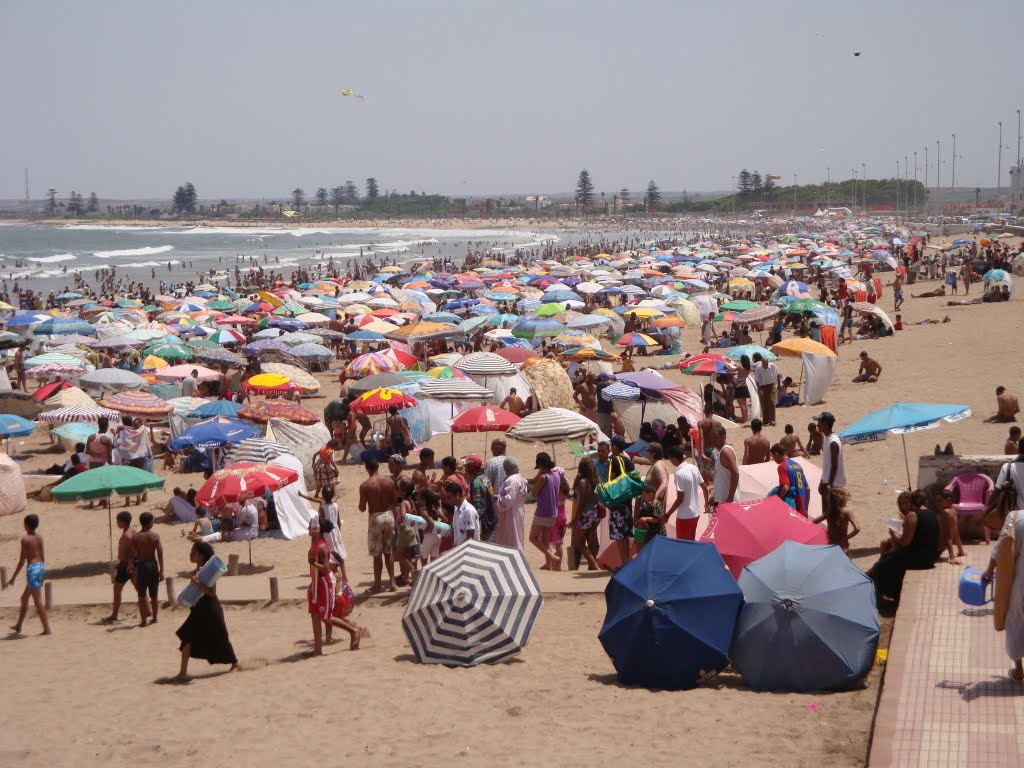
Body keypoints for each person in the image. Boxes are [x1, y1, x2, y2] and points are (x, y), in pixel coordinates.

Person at [174, 541, 239, 680]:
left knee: (221, 636)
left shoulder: (208, 570)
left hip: (210, 609)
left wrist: (196, 583)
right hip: (198, 610)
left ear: (201, 555)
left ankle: (235, 664)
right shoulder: (198, 569)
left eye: (194, 552)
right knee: (187, 637)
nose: (190, 554)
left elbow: (211, 593)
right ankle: (182, 672)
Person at [867, 489, 939, 605]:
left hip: (919, 559)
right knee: (887, 557)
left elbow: (904, 542)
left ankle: (870, 582)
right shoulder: (932, 514)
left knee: (884, 562)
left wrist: (893, 533)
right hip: (930, 557)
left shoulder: (913, 515)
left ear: (912, 502)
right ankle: (877, 585)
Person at [980, 507, 1024, 680]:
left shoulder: (1016, 518)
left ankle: (1019, 669)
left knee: (1016, 620)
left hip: (1020, 581)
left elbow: (1001, 546)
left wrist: (990, 569)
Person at [8, 514, 51, 636]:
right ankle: (19, 625)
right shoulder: (40, 537)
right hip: (40, 567)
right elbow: (42, 557)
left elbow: (22, 561)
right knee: (24, 598)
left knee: (38, 601)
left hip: (32, 569)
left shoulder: (25, 539)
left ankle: (47, 629)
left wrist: (13, 578)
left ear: (26, 525)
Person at [358, 457, 396, 593]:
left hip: (375, 517)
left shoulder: (365, 485)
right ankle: (392, 583)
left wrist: (363, 505)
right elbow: (393, 499)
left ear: (367, 468)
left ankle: (378, 585)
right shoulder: (389, 481)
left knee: (377, 553)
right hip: (389, 515)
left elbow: (362, 507)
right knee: (388, 551)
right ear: (378, 467)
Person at [530, 452, 566, 569]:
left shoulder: (543, 477)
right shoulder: (556, 475)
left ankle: (552, 557)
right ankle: (548, 564)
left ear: (540, 465)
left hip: (542, 512)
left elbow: (534, 493)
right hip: (553, 512)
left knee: (533, 538)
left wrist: (539, 476)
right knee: (545, 540)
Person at [666, 444, 708, 540]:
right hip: (695, 512)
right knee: (691, 541)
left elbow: (680, 498)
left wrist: (668, 514)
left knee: (682, 544)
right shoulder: (693, 467)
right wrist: (706, 503)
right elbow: (705, 488)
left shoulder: (679, 474)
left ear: (673, 458)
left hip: (685, 515)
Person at [606, 436, 636, 567]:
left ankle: (623, 563)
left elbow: (609, 480)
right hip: (627, 501)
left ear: (615, 447)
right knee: (625, 534)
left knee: (618, 535)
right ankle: (626, 562)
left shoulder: (613, 460)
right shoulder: (629, 461)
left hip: (617, 502)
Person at [306, 517, 333, 656]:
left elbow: (327, 569)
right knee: (315, 616)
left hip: (323, 583)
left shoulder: (322, 547)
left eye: (310, 526)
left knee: (325, 617)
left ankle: (353, 629)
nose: (308, 528)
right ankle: (317, 649)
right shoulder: (315, 545)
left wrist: (314, 563)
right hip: (315, 583)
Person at [131, 511, 163, 627]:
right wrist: (162, 570)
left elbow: (133, 555)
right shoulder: (155, 536)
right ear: (150, 523)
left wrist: (132, 568)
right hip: (153, 565)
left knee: (141, 594)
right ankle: (154, 618)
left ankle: (143, 620)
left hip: (142, 566)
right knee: (154, 594)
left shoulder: (136, 537)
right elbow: (160, 553)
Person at [569, 457, 601, 570]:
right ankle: (593, 565)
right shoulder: (596, 481)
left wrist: (574, 520)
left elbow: (581, 504)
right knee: (592, 540)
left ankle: (594, 565)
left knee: (579, 542)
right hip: (594, 512)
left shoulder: (583, 482)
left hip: (585, 514)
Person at [103, 511, 134, 624]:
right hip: (125, 564)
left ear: (123, 522)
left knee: (117, 590)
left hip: (126, 566)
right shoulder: (130, 531)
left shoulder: (127, 535)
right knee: (139, 589)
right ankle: (148, 612)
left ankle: (114, 615)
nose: (116, 523)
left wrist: (129, 564)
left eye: (118, 521)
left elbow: (133, 551)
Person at [815, 412, 846, 521]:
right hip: (828, 481)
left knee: (832, 516)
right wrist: (822, 481)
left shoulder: (833, 442)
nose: (817, 424)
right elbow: (827, 465)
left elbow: (834, 466)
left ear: (825, 424)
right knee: (828, 515)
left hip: (834, 484)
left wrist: (829, 485)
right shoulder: (827, 438)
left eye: (819, 422)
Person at [811, 486, 859, 554]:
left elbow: (812, 522)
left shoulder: (828, 514)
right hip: (843, 546)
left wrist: (824, 531)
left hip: (831, 546)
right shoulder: (847, 513)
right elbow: (857, 529)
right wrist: (846, 537)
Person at [769, 443, 810, 517]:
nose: (773, 460)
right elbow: (807, 489)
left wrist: (777, 500)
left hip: (794, 504)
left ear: (776, 454)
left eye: (773, 457)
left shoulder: (782, 466)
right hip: (803, 503)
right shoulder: (797, 465)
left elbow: (785, 487)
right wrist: (806, 509)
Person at [496, 457, 527, 552]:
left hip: (511, 513)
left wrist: (497, 498)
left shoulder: (512, 480)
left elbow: (509, 500)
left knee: (513, 538)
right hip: (515, 511)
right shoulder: (518, 477)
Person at [464, 454, 496, 541]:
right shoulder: (484, 477)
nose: (465, 469)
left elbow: (479, 508)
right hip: (491, 518)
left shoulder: (477, 483)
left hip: (484, 523)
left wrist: (474, 523)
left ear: (471, 467)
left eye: (466, 466)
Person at [934, 488, 964, 565]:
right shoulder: (953, 511)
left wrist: (952, 557)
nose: (937, 504)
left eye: (939, 501)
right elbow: (955, 532)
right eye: (936, 501)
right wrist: (960, 551)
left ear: (948, 500)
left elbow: (947, 536)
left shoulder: (945, 512)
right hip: (939, 550)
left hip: (936, 550)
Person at [711, 425, 739, 508]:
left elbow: (735, 474)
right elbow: (722, 477)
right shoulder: (721, 452)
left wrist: (730, 498)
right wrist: (715, 496)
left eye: (715, 438)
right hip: (722, 499)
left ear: (723, 437)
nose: (713, 441)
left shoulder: (725, 452)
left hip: (726, 501)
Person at [633, 484, 666, 549]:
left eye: (644, 495)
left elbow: (658, 519)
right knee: (640, 526)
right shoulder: (650, 504)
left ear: (651, 495)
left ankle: (640, 550)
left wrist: (645, 519)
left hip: (658, 534)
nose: (643, 497)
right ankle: (639, 548)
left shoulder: (655, 504)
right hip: (651, 533)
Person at [752, 353, 780, 426]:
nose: (765, 366)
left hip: (772, 385)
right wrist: (759, 389)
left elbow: (778, 375)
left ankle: (772, 419)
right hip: (762, 386)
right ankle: (766, 420)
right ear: (762, 363)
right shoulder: (758, 368)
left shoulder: (773, 366)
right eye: (764, 364)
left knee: (771, 401)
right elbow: (757, 380)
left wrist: (779, 385)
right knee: (764, 403)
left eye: (766, 364)